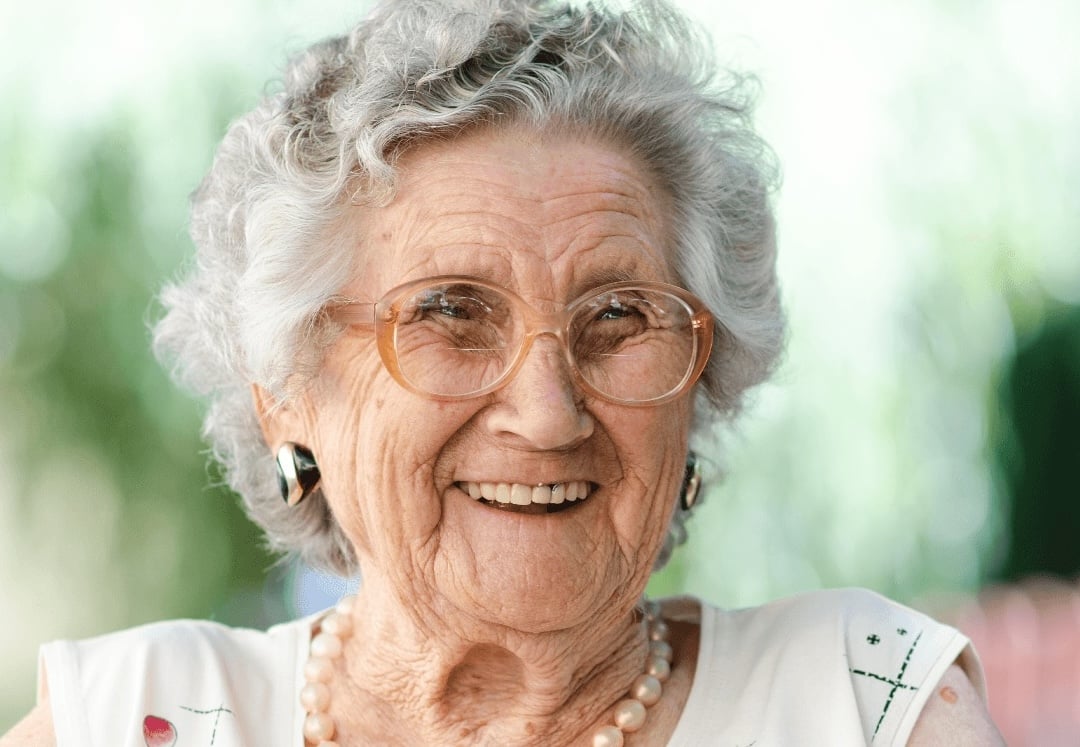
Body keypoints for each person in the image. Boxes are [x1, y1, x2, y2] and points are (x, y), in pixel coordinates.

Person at [2, 0, 1003, 744]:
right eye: (450, 314)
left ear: (704, 381)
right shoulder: (126, 717)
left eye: (619, 317)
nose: (549, 410)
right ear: (286, 397)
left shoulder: (863, 704)